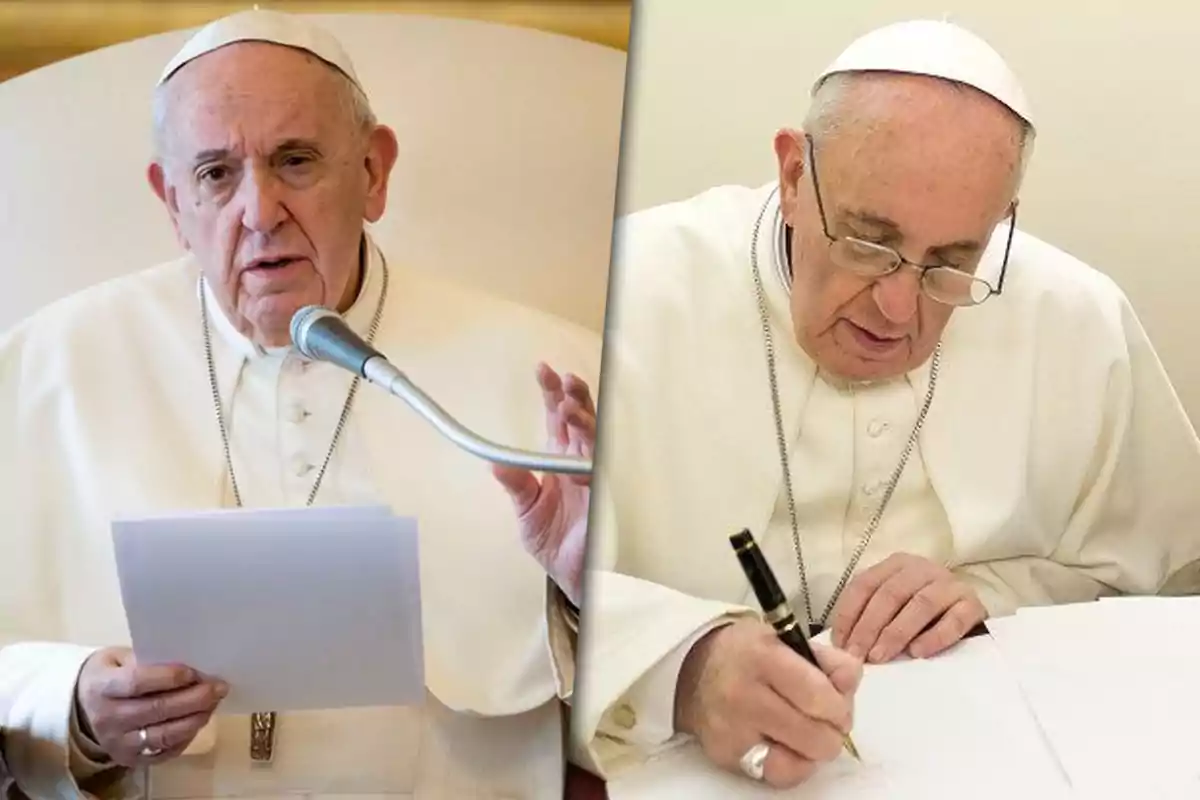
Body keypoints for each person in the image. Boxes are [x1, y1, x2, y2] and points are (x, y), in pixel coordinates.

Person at [569, 19, 1200, 791]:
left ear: (1000, 224)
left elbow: (1156, 585)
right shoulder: (623, 289)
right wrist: (685, 664)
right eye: (869, 243)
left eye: (952, 262)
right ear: (794, 176)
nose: (898, 309)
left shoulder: (1079, 316)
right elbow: (511, 596)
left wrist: (993, 591)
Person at [0, 10, 600, 799]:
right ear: (171, 201)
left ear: (374, 171)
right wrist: (68, 701)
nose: (259, 211)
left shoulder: (554, 377)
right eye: (216, 173)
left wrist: (589, 595)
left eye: (295, 160)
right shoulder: (40, 371)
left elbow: (665, 689)